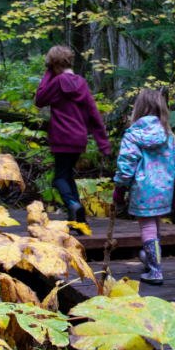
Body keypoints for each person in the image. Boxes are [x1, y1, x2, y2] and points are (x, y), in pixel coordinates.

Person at [112, 89, 175, 285]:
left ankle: (155, 270)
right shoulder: (170, 136)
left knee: (147, 225)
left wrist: (119, 190)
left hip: (143, 190)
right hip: (164, 190)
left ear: (138, 109)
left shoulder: (133, 135)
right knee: (156, 223)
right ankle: (151, 259)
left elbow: (126, 168)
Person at [35, 45, 111, 225]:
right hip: (78, 140)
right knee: (68, 176)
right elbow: (93, 114)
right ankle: (79, 219)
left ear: (53, 65)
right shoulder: (82, 84)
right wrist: (103, 144)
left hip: (62, 139)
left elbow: (39, 99)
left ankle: (72, 204)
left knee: (59, 178)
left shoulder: (56, 82)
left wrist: (49, 73)